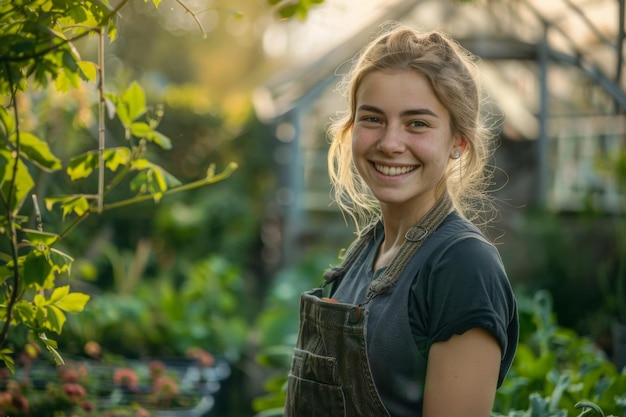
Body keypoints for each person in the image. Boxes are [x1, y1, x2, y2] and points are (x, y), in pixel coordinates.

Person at [284, 22, 519, 417]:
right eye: (373, 119)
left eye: (417, 124)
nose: (390, 143)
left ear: (457, 143)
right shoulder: (367, 253)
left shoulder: (462, 267)